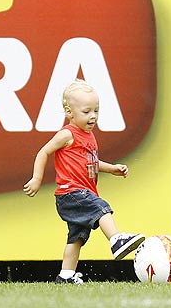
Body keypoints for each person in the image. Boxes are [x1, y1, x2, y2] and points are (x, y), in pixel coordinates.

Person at [24, 79, 145, 284]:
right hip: (71, 193)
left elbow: (91, 163)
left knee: (77, 237)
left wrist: (112, 168)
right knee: (102, 208)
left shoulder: (88, 136)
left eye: (96, 111)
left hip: (78, 194)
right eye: (87, 111)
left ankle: (66, 275)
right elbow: (43, 152)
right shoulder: (67, 134)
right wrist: (37, 178)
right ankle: (116, 239)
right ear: (69, 112)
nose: (93, 116)